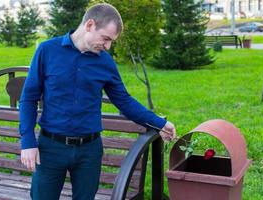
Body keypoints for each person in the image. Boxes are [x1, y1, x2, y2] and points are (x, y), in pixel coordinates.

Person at [19, 3, 176, 200]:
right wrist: (27, 142)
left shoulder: (105, 61)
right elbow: (28, 98)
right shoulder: (47, 50)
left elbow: (124, 101)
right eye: (106, 38)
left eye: (112, 42)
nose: (108, 46)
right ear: (90, 25)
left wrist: (159, 123)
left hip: (89, 151)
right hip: (50, 148)